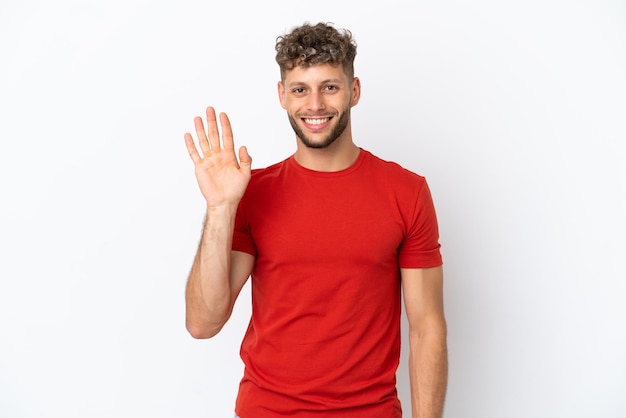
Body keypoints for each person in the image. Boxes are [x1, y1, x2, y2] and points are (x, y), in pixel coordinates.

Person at [183, 22, 448, 418]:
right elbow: (203, 323)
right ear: (282, 96)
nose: (315, 105)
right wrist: (221, 208)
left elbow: (427, 329)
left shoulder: (406, 192)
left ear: (354, 91)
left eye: (330, 86)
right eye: (300, 89)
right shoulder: (253, 192)